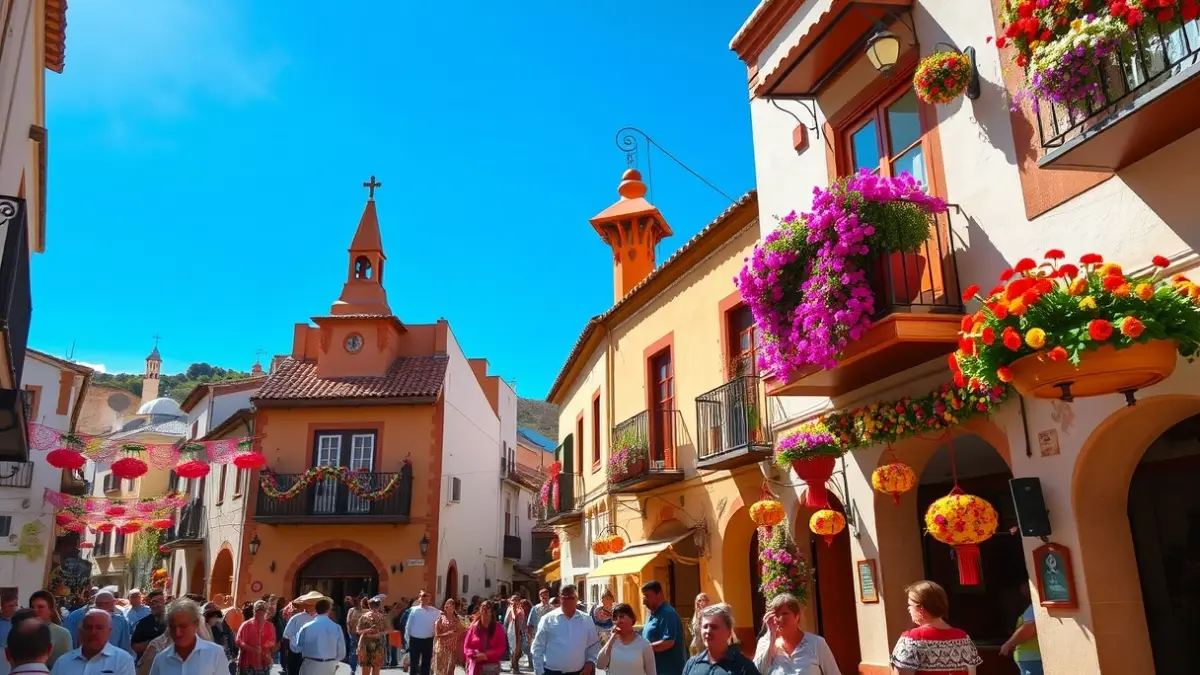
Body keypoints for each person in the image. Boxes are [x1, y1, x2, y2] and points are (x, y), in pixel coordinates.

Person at [889, 581, 982, 675]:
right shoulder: (963, 638)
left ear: (921, 609)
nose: (908, 609)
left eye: (910, 605)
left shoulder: (911, 640)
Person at [752, 593, 839, 675]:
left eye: (785, 614)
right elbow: (757, 672)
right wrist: (772, 638)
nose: (779, 619)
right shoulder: (765, 642)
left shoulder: (816, 643)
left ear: (797, 616)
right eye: (775, 614)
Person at [529, 585, 600, 675]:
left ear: (576, 599)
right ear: (560, 598)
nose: (567, 601)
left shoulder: (586, 620)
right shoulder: (547, 619)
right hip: (551, 672)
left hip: (579, 672)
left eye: (571, 597)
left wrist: (590, 663)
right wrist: (539, 671)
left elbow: (594, 645)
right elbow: (537, 647)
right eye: (564, 597)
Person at [149, 599, 228, 675]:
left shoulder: (215, 653)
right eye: (172, 627)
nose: (177, 633)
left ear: (196, 624)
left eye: (183, 626)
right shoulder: (161, 659)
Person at [50, 609, 136, 675]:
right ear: (80, 632)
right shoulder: (63, 662)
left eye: (99, 628)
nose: (93, 632)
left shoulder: (122, 660)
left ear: (109, 632)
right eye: (88, 627)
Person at [682, 605, 759, 675]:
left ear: (728, 633)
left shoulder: (743, 667)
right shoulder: (692, 664)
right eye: (705, 627)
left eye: (714, 627)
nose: (708, 631)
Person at [642, 581, 688, 675]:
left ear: (658, 594)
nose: (644, 601)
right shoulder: (652, 614)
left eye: (647, 596)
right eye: (643, 596)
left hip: (669, 671)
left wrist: (643, 649)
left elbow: (668, 642)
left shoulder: (667, 613)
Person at [596, 603, 656, 675]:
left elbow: (651, 672)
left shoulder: (644, 644)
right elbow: (600, 665)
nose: (618, 621)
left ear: (632, 618)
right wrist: (611, 640)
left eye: (621, 617)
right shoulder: (611, 643)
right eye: (615, 618)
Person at [292, 599, 345, 675]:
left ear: (316, 609)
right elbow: (341, 652)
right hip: (329, 665)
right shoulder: (336, 627)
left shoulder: (306, 627)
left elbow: (298, 647)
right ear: (328, 610)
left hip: (310, 664)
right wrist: (334, 662)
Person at [999, 585, 1041, 675]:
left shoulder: (1035, 607)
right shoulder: (1032, 607)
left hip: (1034, 659)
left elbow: (1030, 628)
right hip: (1032, 659)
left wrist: (1009, 644)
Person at [29, 591, 72, 667]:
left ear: (51, 610)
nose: (35, 610)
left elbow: (66, 665)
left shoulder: (62, 634)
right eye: (32, 607)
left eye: (40, 607)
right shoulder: (23, 631)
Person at [283, 593, 323, 675]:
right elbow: (287, 636)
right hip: (296, 653)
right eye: (311, 604)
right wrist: (286, 653)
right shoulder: (296, 618)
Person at [462, 603, 506, 675]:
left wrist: (486, 655)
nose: (485, 610)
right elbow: (466, 646)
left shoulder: (498, 628)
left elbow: (501, 647)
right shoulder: (474, 627)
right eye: (483, 607)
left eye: (487, 608)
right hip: (474, 666)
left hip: (491, 667)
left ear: (491, 612)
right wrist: (473, 654)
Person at [235, 601, 277, 675]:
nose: (261, 613)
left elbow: (272, 641)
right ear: (254, 611)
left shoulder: (269, 626)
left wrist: (265, 646)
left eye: (263, 611)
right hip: (248, 662)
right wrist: (252, 649)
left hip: (263, 662)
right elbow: (238, 641)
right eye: (258, 611)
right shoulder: (246, 625)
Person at [404, 590, 440, 675]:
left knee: (426, 665)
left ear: (430, 598)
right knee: (414, 665)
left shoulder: (435, 611)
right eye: (423, 596)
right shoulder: (414, 610)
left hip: (428, 641)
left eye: (427, 596)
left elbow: (445, 616)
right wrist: (407, 640)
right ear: (419, 598)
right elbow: (408, 626)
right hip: (415, 640)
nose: (424, 598)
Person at [93, 592, 134, 656]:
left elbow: (125, 645)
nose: (114, 605)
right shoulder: (87, 620)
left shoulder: (121, 621)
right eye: (111, 602)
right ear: (99, 604)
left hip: (113, 660)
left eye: (114, 602)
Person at [430, 598, 464, 675]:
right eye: (448, 605)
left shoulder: (457, 619)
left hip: (452, 649)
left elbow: (463, 629)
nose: (450, 607)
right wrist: (448, 633)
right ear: (445, 607)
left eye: (452, 605)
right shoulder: (440, 619)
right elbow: (437, 634)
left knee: (450, 671)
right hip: (441, 649)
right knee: (440, 671)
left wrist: (457, 634)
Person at [356, 596, 388, 675]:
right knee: (376, 667)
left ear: (369, 606)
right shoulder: (383, 617)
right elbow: (386, 631)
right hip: (377, 643)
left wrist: (368, 631)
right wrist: (378, 633)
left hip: (366, 643)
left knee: (366, 668)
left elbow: (358, 631)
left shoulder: (364, 617)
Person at [131, 591, 168, 660]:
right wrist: (153, 643)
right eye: (154, 602)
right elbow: (135, 647)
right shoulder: (143, 623)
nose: (159, 605)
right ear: (150, 605)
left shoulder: (174, 622)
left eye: (162, 601)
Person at [503, 595, 527, 674]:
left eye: (517, 599)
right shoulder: (510, 609)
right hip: (512, 632)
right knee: (513, 650)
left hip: (519, 632)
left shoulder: (521, 609)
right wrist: (505, 632)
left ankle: (515, 665)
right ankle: (514, 667)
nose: (515, 601)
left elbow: (523, 621)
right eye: (513, 599)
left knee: (519, 651)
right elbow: (506, 622)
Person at [346, 598, 365, 675]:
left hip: (362, 634)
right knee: (354, 651)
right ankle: (353, 668)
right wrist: (349, 632)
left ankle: (361, 668)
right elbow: (348, 622)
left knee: (361, 651)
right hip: (354, 633)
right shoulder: (351, 610)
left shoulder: (365, 611)